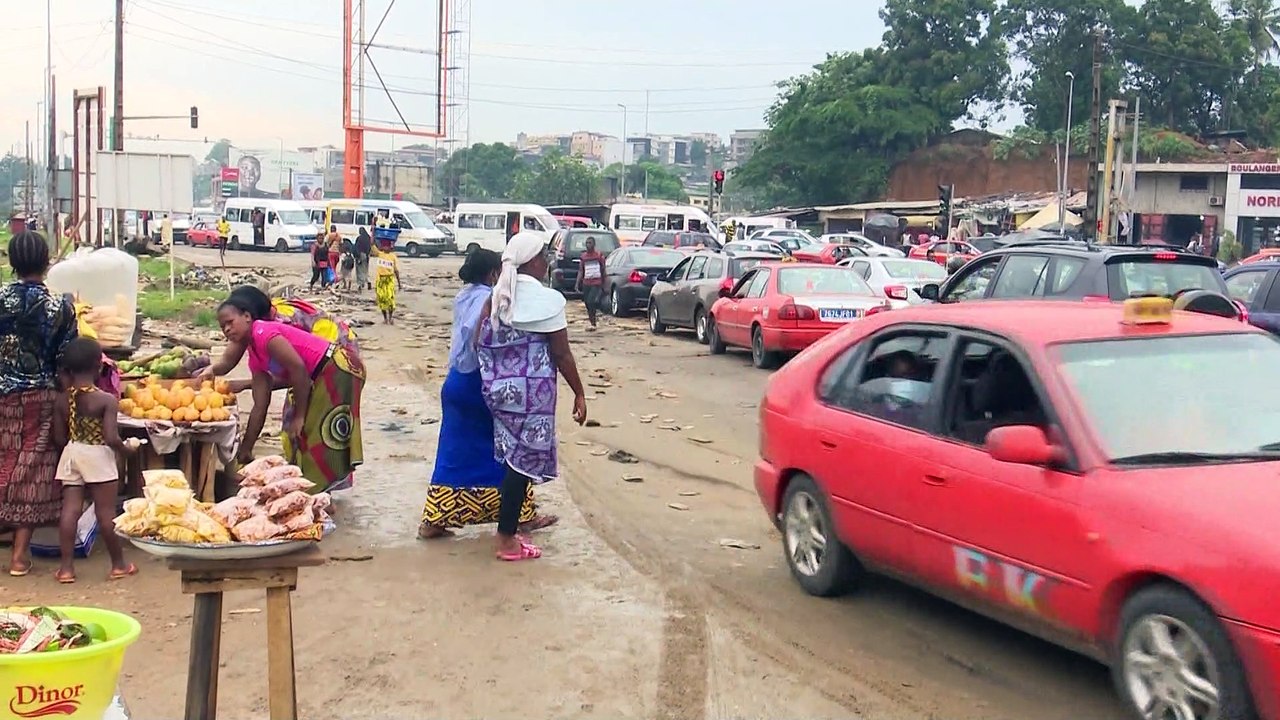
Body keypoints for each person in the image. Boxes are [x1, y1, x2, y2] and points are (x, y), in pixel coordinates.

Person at [418, 249, 558, 539]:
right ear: (495, 274)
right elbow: (480, 337)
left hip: (456, 382)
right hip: (479, 385)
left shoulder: (463, 295)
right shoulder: (491, 298)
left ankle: (434, 520)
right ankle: (520, 517)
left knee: (453, 452)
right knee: (513, 452)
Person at [478, 231, 588, 561]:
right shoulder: (546, 301)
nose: (548, 263)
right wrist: (579, 394)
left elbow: (478, 340)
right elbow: (562, 354)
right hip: (534, 397)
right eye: (546, 257)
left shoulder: (497, 298)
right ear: (535, 262)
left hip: (499, 393)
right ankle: (506, 539)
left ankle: (510, 530)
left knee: (514, 460)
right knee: (521, 465)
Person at [216, 293, 365, 493]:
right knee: (303, 436)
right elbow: (260, 406)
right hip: (320, 375)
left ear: (247, 316)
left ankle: (318, 497)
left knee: (316, 433)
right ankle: (315, 495)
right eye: (222, 327)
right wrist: (246, 448)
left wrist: (300, 416)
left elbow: (299, 372)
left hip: (338, 368)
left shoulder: (264, 333)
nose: (227, 330)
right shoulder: (255, 356)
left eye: (230, 322)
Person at [0, 231, 78, 577]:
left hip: (1, 394)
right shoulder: (60, 306)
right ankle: (18, 557)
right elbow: (67, 360)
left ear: (11, 262)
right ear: (47, 263)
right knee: (32, 471)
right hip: (40, 398)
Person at [52, 337, 135, 583]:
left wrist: (73, 450)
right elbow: (110, 437)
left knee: (70, 511)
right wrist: (126, 450)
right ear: (99, 366)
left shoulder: (61, 399)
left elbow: (58, 438)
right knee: (106, 513)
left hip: (72, 453)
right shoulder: (107, 400)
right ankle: (119, 564)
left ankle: (66, 569)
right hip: (98, 456)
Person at [575, 236, 606, 328]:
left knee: (591, 301)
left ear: (594, 244)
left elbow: (603, 269)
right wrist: (577, 283)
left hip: (596, 282)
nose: (588, 245)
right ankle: (592, 320)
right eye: (587, 243)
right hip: (586, 282)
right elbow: (581, 270)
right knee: (587, 303)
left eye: (590, 243)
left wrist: (604, 282)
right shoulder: (583, 257)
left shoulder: (599, 255)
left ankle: (593, 321)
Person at [372, 237, 401, 325]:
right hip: (380, 280)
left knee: (390, 299)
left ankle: (390, 317)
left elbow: (396, 270)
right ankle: (385, 318)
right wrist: (372, 230)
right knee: (382, 300)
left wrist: (399, 283)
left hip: (389, 280)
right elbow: (372, 244)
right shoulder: (379, 254)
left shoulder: (393, 256)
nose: (386, 248)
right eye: (384, 246)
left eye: (387, 246)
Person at [354, 227, 373, 292]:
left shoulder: (359, 238)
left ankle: (360, 284)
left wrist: (357, 256)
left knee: (359, 270)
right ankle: (368, 281)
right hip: (367, 255)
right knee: (366, 270)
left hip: (360, 255)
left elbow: (356, 248)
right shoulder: (368, 238)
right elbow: (370, 247)